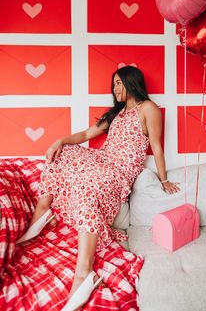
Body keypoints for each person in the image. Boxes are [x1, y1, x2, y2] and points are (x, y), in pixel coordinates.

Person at [16, 66, 180, 311]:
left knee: (88, 188)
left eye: (118, 83)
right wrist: (59, 141)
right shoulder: (117, 113)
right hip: (102, 161)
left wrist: (164, 179)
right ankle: (42, 211)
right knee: (64, 153)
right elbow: (85, 133)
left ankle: (83, 273)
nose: (114, 89)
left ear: (131, 81)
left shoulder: (148, 108)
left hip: (120, 171)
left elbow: (156, 146)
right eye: (113, 84)